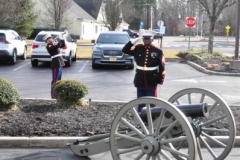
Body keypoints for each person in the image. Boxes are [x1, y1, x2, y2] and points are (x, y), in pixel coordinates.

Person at [122, 31, 165, 112]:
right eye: (144, 39)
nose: (146, 41)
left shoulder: (157, 51)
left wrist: (160, 80)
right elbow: (124, 50)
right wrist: (133, 41)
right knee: (140, 102)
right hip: (140, 79)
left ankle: (152, 119)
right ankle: (141, 119)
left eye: (148, 39)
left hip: (152, 80)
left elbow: (162, 66)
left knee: (151, 102)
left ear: (152, 40)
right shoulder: (138, 48)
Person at [43, 33, 66, 98]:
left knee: (59, 80)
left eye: (51, 38)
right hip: (56, 64)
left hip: (60, 63)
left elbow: (62, 45)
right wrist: (60, 40)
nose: (52, 39)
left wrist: (62, 39)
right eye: (50, 38)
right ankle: (53, 95)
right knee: (55, 80)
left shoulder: (53, 44)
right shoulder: (49, 46)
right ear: (47, 40)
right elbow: (58, 46)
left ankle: (58, 94)